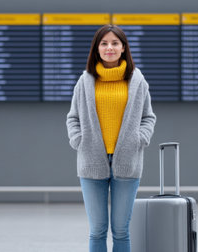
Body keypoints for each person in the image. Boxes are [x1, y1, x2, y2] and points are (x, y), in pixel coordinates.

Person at [66, 24, 156, 252]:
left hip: (127, 163)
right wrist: (79, 140)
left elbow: (148, 116)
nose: (109, 48)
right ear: (96, 49)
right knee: (97, 230)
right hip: (91, 163)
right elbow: (72, 117)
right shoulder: (85, 81)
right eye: (104, 43)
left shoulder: (137, 81)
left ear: (124, 48)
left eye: (115, 43)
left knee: (121, 231)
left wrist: (140, 138)